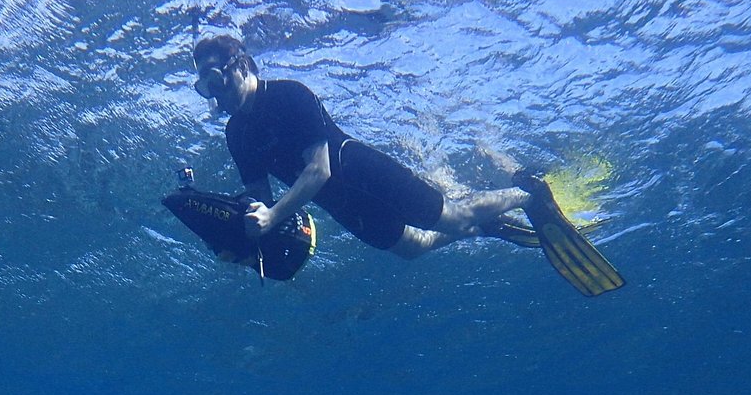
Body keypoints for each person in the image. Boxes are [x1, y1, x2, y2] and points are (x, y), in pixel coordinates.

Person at [191, 35, 624, 295]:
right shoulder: (236, 134)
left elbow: (317, 170)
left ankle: (530, 192)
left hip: (360, 170)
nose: (213, 93)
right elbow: (261, 196)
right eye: (202, 86)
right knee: (411, 249)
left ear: (242, 65)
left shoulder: (288, 95)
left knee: (453, 215)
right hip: (338, 203)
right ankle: (485, 225)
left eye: (215, 78)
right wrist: (244, 229)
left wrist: (270, 215)